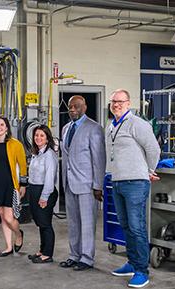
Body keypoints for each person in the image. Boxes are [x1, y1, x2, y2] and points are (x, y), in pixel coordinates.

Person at [107, 89, 160, 288]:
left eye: (120, 101)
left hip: (136, 183)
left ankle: (141, 271)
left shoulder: (138, 124)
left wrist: (149, 170)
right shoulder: (111, 125)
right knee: (126, 225)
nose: (116, 104)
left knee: (137, 227)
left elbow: (153, 149)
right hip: (118, 181)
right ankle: (132, 262)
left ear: (129, 103)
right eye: (113, 101)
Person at [59, 95, 106, 271]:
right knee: (73, 223)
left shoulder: (94, 129)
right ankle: (74, 255)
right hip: (69, 183)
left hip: (87, 185)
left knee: (87, 223)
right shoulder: (65, 128)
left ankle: (86, 258)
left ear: (84, 108)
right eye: (70, 107)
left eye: (76, 106)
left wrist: (98, 185)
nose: (72, 109)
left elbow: (99, 160)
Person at [0, 116, 27, 257]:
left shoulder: (15, 144)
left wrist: (23, 185)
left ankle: (18, 234)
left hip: (10, 184)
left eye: (2, 124)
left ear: (7, 127)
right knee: (3, 216)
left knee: (10, 217)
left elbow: (23, 166)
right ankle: (9, 247)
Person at [27, 124, 58, 264]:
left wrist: (44, 197)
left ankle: (47, 254)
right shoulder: (36, 153)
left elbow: (50, 178)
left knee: (45, 224)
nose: (38, 138)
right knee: (40, 223)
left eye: (42, 136)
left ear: (47, 139)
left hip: (45, 191)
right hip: (34, 190)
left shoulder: (49, 155)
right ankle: (41, 250)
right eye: (36, 135)